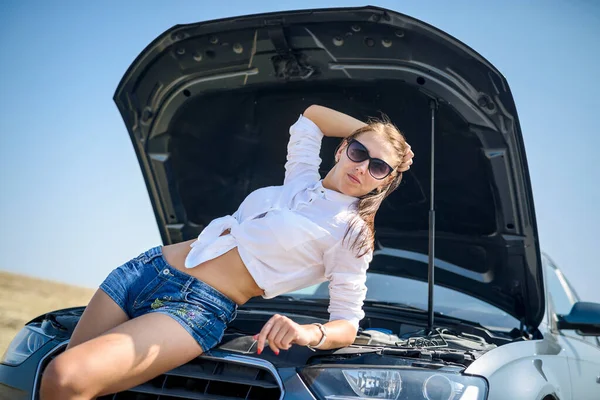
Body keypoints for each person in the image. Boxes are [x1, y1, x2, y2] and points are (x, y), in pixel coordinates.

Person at [39, 104, 414, 400]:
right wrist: (373, 135)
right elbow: (311, 117)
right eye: (358, 152)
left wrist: (308, 332)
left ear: (386, 181)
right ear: (342, 149)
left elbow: (348, 323)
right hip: (146, 268)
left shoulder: (352, 233)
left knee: (66, 377)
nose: (362, 166)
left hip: (196, 307)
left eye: (378, 167)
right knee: (60, 382)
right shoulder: (298, 182)